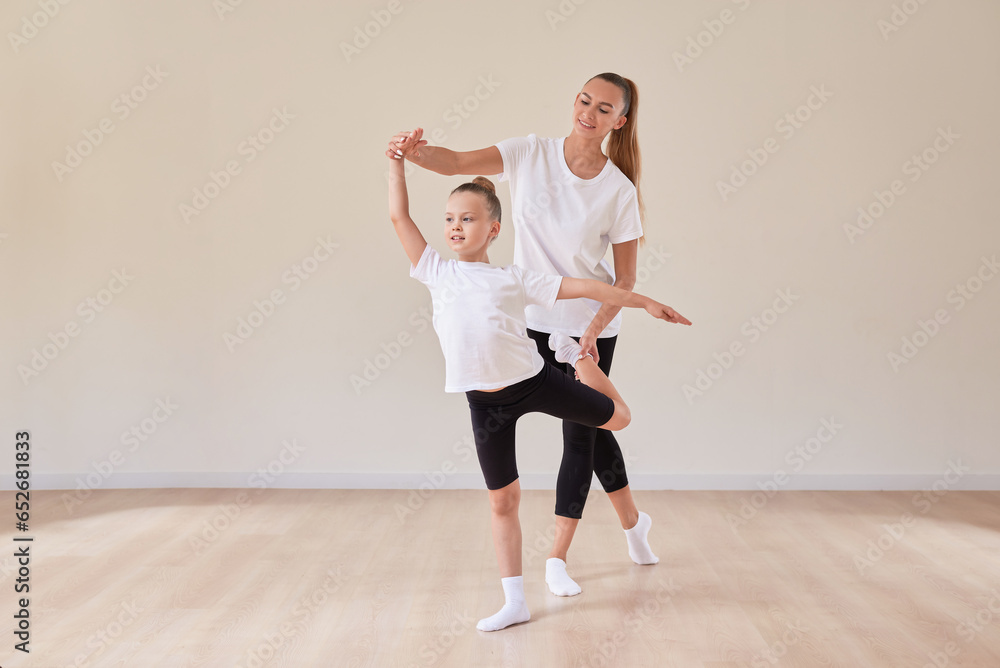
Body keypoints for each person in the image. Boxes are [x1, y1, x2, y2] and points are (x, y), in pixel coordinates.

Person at [386, 145, 691, 631]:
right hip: (484, 403)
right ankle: (515, 602)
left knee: (619, 418)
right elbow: (399, 215)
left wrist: (646, 302)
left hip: (536, 383)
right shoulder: (435, 271)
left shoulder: (514, 278)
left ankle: (577, 358)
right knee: (502, 501)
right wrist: (396, 164)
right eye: (449, 219)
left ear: (494, 229)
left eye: (467, 218)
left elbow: (591, 287)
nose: (455, 227)